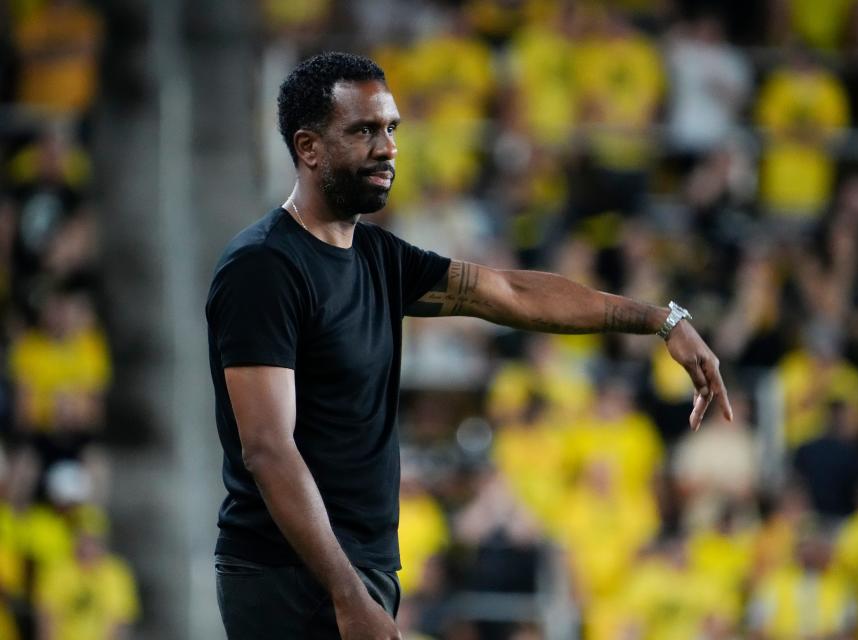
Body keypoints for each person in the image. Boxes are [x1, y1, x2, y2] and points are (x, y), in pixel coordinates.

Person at [206, 52, 732, 640]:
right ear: (309, 148)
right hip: (289, 575)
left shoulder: (380, 259)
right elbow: (268, 449)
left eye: (391, 129)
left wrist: (661, 320)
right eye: (364, 131)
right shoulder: (264, 268)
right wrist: (346, 594)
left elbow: (510, 291)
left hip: (360, 567)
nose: (387, 148)